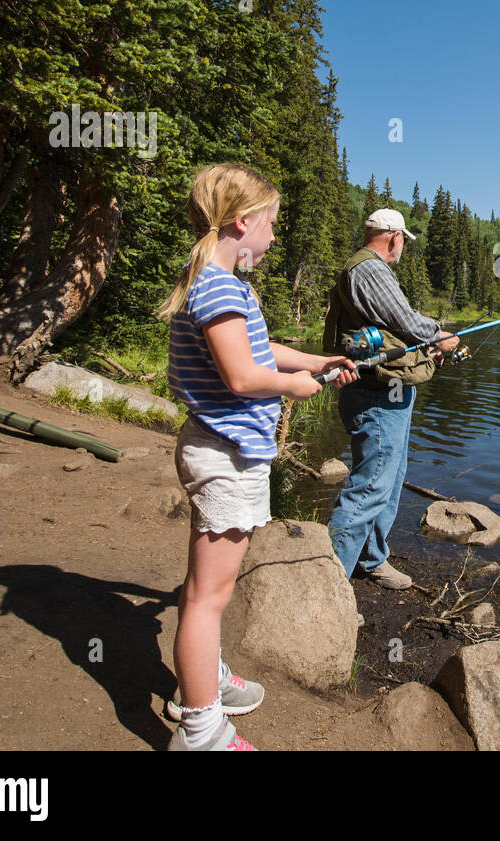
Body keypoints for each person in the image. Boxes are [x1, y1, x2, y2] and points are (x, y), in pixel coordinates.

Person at [157, 163, 357, 751]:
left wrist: (313, 363)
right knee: (205, 598)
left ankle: (206, 679)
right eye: (271, 224)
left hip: (227, 449)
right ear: (242, 222)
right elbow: (244, 375)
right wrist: (292, 387)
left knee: (204, 590)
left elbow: (261, 349)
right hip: (224, 453)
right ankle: (200, 729)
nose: (274, 236)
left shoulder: (223, 282)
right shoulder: (218, 286)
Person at [323, 208, 458, 590]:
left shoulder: (368, 269)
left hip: (386, 389)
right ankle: (328, 586)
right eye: (403, 242)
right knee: (370, 486)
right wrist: (439, 335)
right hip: (375, 393)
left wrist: (427, 339)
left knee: (390, 476)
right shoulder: (369, 269)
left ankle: (371, 559)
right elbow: (403, 319)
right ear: (394, 236)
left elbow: (393, 323)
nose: (402, 248)